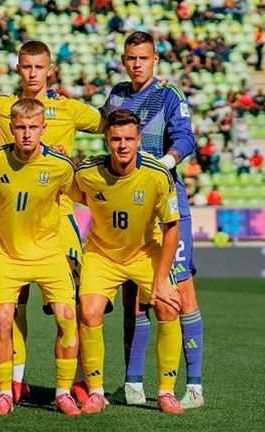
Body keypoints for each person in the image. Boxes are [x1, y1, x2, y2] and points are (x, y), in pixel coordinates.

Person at [0, 40, 102, 403]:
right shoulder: (1, 107)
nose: (32, 74)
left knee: (72, 303)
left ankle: (77, 379)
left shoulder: (70, 109)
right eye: (26, 67)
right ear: (18, 69)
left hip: (59, 218)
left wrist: (78, 158)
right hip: (16, 219)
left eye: (38, 67)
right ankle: (16, 380)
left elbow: (111, 125)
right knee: (16, 303)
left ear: (50, 70)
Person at [101, 31, 203, 409]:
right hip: (129, 205)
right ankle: (132, 383)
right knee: (134, 295)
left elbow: (186, 139)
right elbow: (104, 134)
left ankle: (193, 386)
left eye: (143, 57)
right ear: (124, 60)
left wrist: (164, 163)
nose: (137, 64)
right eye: (131, 58)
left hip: (167, 201)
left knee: (180, 290)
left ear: (155, 58)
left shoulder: (170, 94)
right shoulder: (116, 96)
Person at [0, 99, 81, 416]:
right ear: (11, 128)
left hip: (49, 254)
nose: (27, 134)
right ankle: (4, 393)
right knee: (3, 319)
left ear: (43, 128)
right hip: (7, 254)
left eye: (33, 127)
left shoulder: (60, 166)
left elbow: (84, 194)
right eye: (20, 128)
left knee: (67, 319)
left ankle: (62, 393)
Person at [72, 109, 184, 415]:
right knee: (89, 312)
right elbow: (68, 195)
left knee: (168, 305)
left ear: (139, 141)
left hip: (146, 252)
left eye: (129, 139)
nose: (122, 145)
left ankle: (165, 392)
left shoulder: (157, 175)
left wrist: (161, 279)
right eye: (116, 139)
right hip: (102, 254)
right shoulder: (87, 172)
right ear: (107, 140)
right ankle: (95, 392)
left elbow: (172, 226)